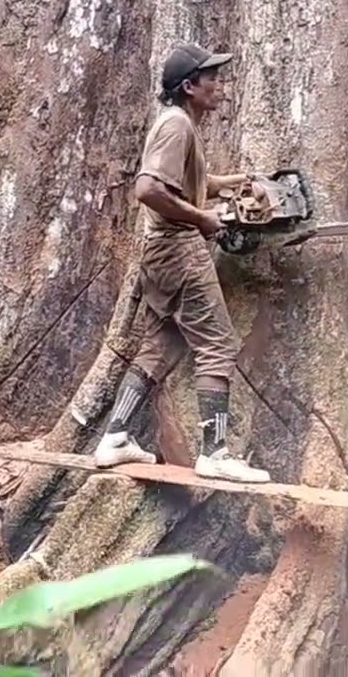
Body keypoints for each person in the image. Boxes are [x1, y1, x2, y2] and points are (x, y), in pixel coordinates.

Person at [91, 42, 270, 484]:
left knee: (162, 343)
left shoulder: (181, 126)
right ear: (190, 86)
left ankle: (115, 435)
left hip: (161, 254)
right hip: (178, 249)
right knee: (218, 345)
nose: (220, 87)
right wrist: (202, 220)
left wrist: (233, 183)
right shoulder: (176, 127)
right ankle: (216, 453)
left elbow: (187, 182)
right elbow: (149, 189)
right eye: (212, 79)